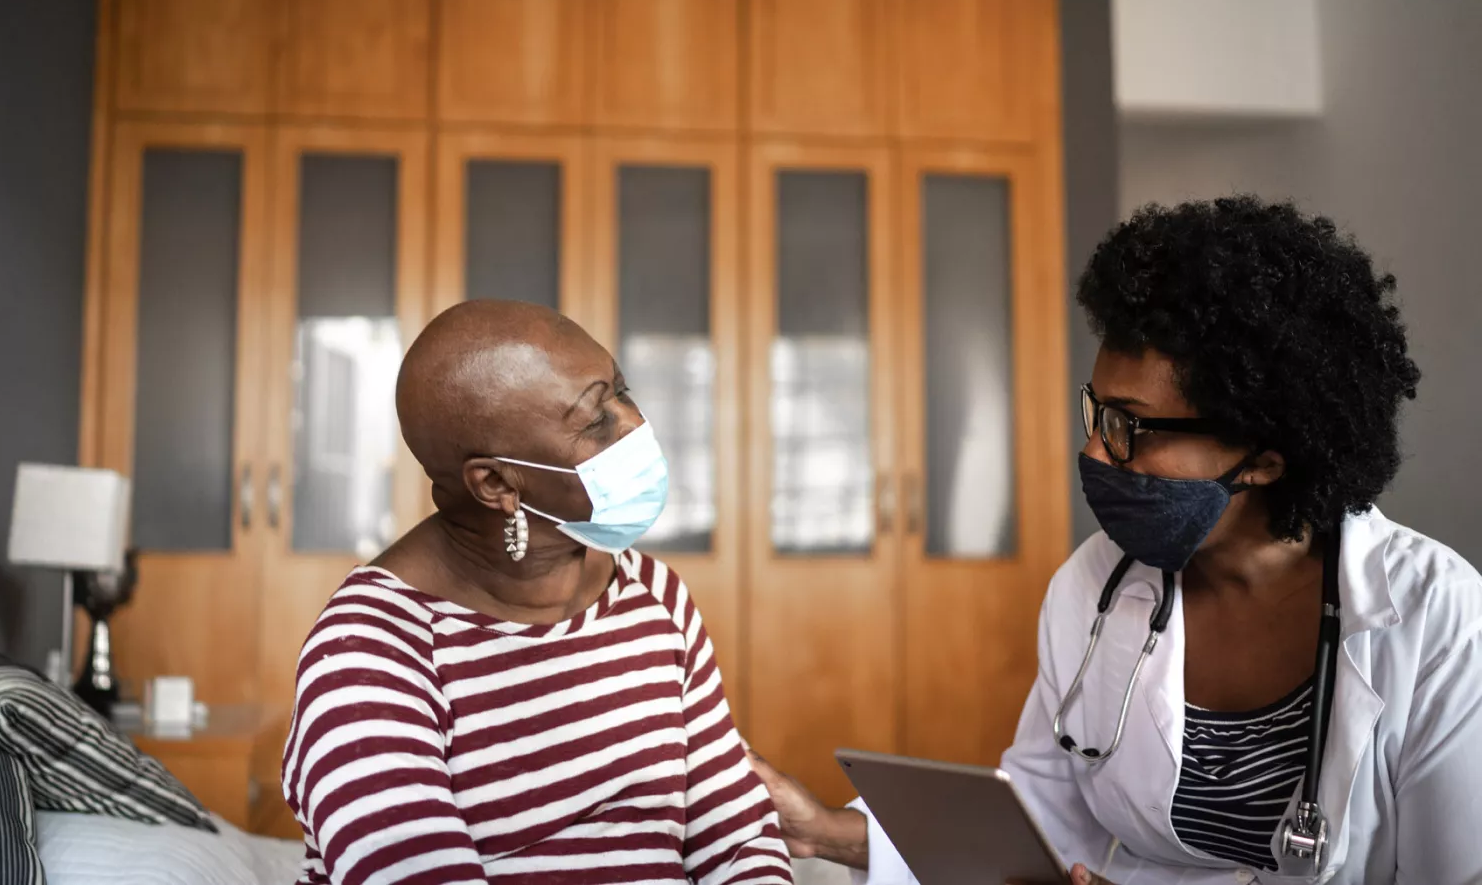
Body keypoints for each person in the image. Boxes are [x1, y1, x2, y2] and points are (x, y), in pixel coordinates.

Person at [749, 196, 1482, 884]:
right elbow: (1041, 818)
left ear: (1264, 457)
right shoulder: (1093, 585)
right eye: (1096, 414)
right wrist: (821, 831)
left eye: (1131, 428)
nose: (1098, 454)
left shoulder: (1436, 618)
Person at [280, 299, 793, 885]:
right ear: (497, 482)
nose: (635, 425)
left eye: (621, 391)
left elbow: (737, 837)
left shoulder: (654, 594)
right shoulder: (370, 649)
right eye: (595, 420)